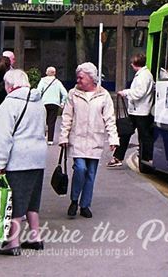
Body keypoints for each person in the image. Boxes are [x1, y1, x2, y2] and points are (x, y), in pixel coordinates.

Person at [0, 69, 47, 256]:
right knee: (33, 199)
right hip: (38, 157)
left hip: (18, 158)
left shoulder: (8, 105)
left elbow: (2, 137)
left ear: (10, 85)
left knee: (16, 200)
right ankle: (35, 237)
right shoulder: (39, 103)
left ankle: (13, 243)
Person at [59, 62, 118, 219]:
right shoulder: (73, 93)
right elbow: (67, 117)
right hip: (77, 139)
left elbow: (110, 119)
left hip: (95, 139)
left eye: (81, 78)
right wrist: (63, 136)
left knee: (91, 173)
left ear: (91, 79)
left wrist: (113, 139)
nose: (78, 80)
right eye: (78, 77)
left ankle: (85, 205)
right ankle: (74, 199)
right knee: (80, 169)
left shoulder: (104, 95)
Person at [117, 53, 155, 169]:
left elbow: (139, 93)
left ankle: (147, 157)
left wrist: (126, 93)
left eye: (132, 63)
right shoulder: (143, 74)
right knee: (128, 133)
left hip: (140, 111)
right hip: (137, 110)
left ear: (135, 64)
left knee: (142, 135)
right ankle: (118, 157)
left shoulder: (143, 76)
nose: (131, 65)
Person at [37, 66, 68, 145]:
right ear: (54, 73)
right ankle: (50, 140)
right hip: (54, 104)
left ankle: (43, 137)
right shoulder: (57, 82)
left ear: (47, 72)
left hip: (44, 103)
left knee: (43, 121)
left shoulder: (42, 81)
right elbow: (65, 93)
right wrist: (62, 102)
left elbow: (38, 91)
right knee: (52, 122)